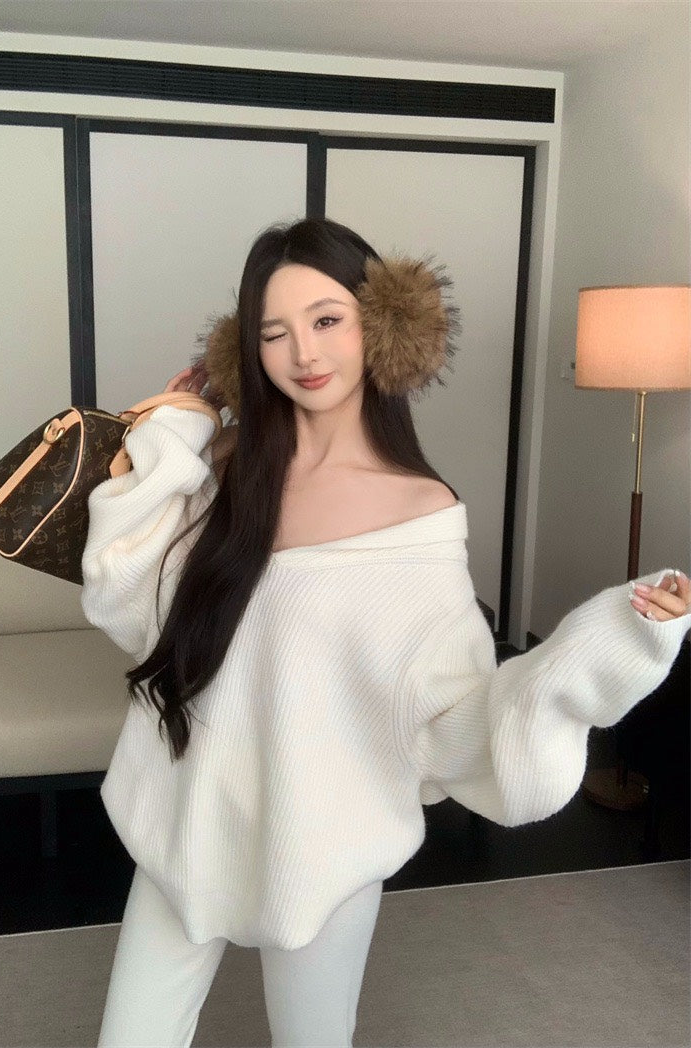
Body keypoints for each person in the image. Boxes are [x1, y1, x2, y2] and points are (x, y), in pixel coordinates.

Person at [80, 217, 691, 1047]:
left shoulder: (419, 513)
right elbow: (127, 598)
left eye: (327, 319)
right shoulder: (227, 468)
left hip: (324, 841)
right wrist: (179, 428)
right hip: (186, 815)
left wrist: (604, 644)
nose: (303, 352)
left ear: (381, 326)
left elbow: (451, 712)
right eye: (273, 332)